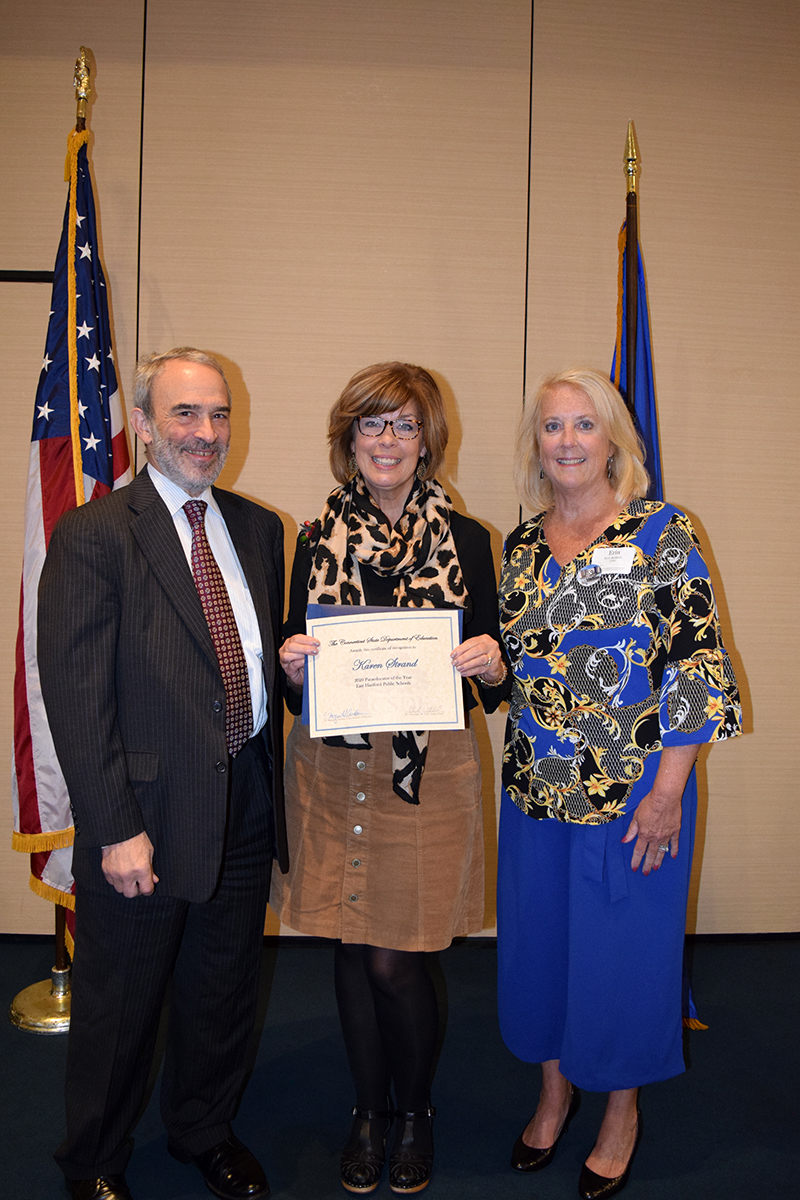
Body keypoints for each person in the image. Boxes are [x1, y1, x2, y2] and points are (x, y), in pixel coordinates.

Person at [38, 348, 287, 1200]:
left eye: (218, 414)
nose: (206, 432)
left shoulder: (258, 529)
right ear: (143, 424)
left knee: (223, 988)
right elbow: (76, 696)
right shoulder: (96, 533)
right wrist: (114, 828)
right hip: (142, 812)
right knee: (122, 1004)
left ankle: (203, 1130)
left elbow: (252, 659)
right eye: (185, 414)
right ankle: (94, 1159)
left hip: (244, 795)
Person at [496, 368, 742, 1199]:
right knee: (541, 948)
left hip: (635, 795)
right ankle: (554, 1091)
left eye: (584, 424)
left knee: (624, 954)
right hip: (535, 791)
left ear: (613, 440)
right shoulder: (521, 545)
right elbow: (516, 663)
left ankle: (621, 1111)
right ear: (536, 443)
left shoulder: (664, 532)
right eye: (552, 426)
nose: (567, 440)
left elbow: (697, 668)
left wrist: (669, 793)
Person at [271, 362, 510, 1195]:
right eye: (371, 423)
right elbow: (292, 670)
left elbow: (498, 680)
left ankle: (416, 1111)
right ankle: (367, 1112)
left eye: (404, 425)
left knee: (396, 958)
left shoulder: (470, 540)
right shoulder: (314, 537)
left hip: (427, 767)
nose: (387, 440)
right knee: (350, 941)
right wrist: (292, 666)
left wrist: (490, 662)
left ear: (427, 440)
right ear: (349, 438)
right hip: (334, 765)